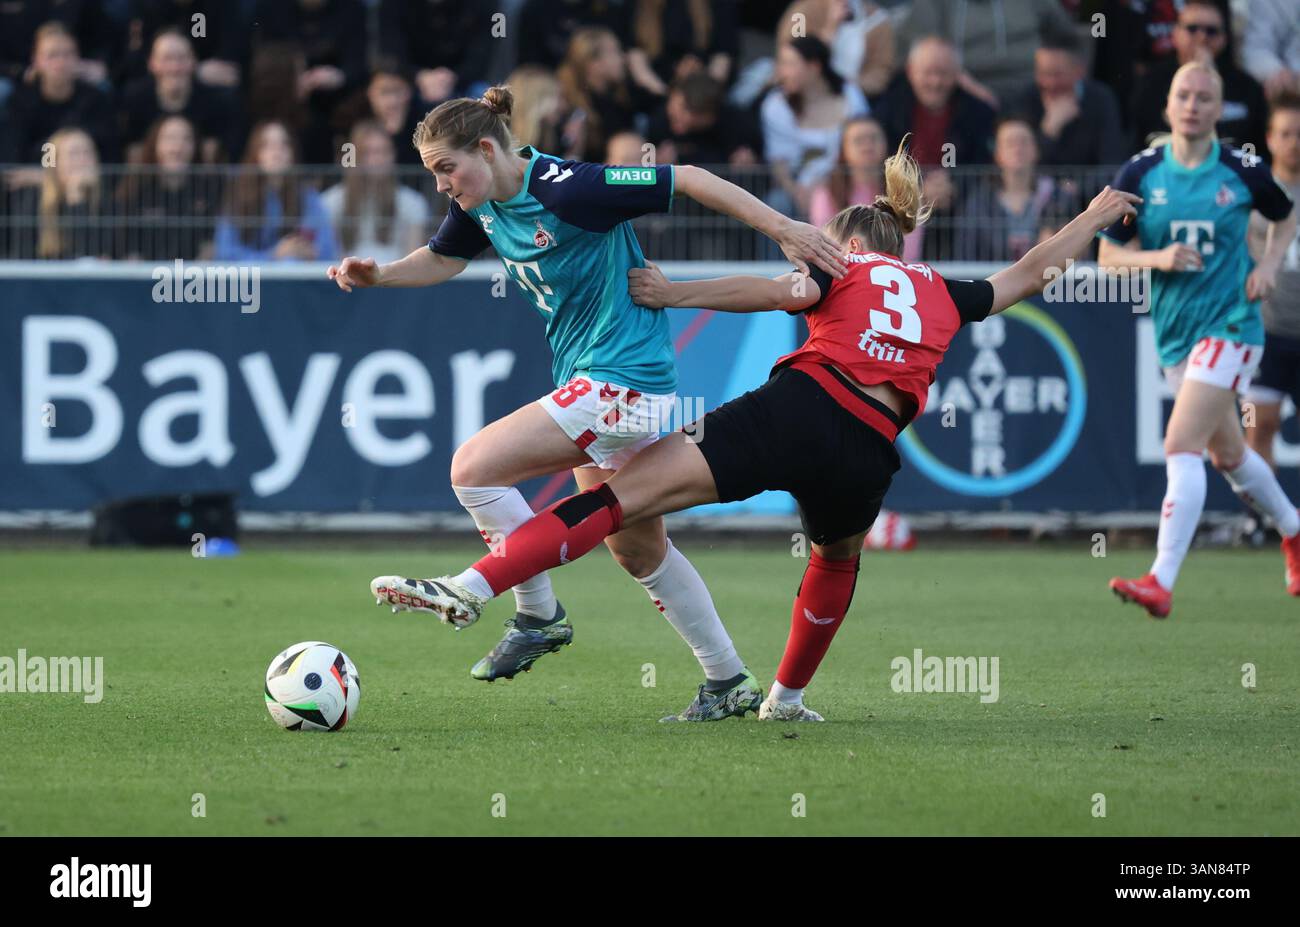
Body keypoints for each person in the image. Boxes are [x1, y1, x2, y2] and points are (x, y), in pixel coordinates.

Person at [377, 142, 1140, 721]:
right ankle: (783, 696)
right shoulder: (943, 289)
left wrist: (677, 292)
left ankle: (476, 585)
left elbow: (782, 291)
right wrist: (1096, 216)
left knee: (621, 500)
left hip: (799, 408)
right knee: (835, 561)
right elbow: (1033, 273)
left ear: (841, 239)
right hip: (871, 449)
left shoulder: (841, 265)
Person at [330, 87, 846, 719]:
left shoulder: (569, 187)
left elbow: (684, 177)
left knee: (473, 468)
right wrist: (380, 274)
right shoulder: (483, 201)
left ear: (487, 149)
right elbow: (441, 260)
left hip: (624, 380)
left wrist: (785, 228)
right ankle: (727, 682)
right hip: (598, 381)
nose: (440, 185)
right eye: (433, 171)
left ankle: (536, 613)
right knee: (637, 549)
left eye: (445, 168)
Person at [1101, 62, 1300, 618]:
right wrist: (1155, 256)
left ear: (1218, 109)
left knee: (1179, 445)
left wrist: (1270, 266)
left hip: (1233, 326)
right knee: (1230, 456)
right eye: (1183, 95)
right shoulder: (1140, 174)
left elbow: (1284, 217)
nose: (1192, 105)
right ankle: (1294, 531)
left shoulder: (1242, 169)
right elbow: (1108, 254)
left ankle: (1161, 580)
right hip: (1176, 336)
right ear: (1168, 106)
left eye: (1204, 97)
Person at [1129, 0, 1269, 154]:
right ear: (1175, 34)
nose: (1202, 37)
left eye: (1211, 31)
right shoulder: (1151, 83)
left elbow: (1258, 148)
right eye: (1192, 29)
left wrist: (1210, 76)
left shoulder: (1247, 87)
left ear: (1224, 38)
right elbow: (1141, 138)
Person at [1244, 94, 1300, 472]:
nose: (1294, 142)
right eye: (1285, 133)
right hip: (1265, 331)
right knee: (1258, 426)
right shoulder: (1251, 194)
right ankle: (1260, 518)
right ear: (1270, 138)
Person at [761, 35, 869, 218]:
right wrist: (797, 192)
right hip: (797, 191)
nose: (781, 73)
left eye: (790, 64)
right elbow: (779, 162)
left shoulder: (850, 96)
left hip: (848, 186)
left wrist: (829, 186)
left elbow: (863, 142)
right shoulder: (775, 105)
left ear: (814, 67)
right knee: (776, 204)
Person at [214, 119, 339, 262]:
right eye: (267, 145)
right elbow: (225, 253)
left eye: (284, 144)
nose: (276, 151)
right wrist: (273, 255)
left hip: (297, 277)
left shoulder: (307, 196)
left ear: (292, 153)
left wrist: (309, 252)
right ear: (255, 154)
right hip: (251, 280)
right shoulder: (238, 195)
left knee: (291, 262)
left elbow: (328, 246)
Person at [955, 118, 1075, 262]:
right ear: (998, 155)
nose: (1018, 149)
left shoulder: (1058, 197)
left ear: (1036, 150)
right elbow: (966, 255)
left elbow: (1081, 248)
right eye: (1010, 143)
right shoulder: (979, 203)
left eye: (1024, 142)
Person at [809, 114, 922, 261]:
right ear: (844, 149)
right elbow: (827, 243)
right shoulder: (826, 193)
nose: (867, 145)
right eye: (858, 140)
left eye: (873, 138)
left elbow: (909, 248)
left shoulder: (902, 192)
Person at [1009, 33, 1129, 168]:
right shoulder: (1025, 99)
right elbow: (1018, 166)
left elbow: (1111, 159)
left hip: (1090, 187)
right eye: (1043, 73)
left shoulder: (1100, 99)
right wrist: (1050, 129)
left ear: (1080, 72)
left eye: (1057, 74)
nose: (1049, 83)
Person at [320, 120, 430, 264]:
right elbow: (329, 256)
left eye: (384, 152)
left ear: (393, 155)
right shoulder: (330, 201)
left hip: (395, 281)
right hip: (346, 280)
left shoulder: (413, 202)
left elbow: (414, 260)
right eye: (368, 153)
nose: (377, 159)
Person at [115, 114, 219, 261]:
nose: (178, 146)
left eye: (186, 139)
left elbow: (210, 246)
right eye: (170, 138)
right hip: (144, 277)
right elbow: (126, 247)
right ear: (155, 145)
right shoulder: (134, 190)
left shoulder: (208, 191)